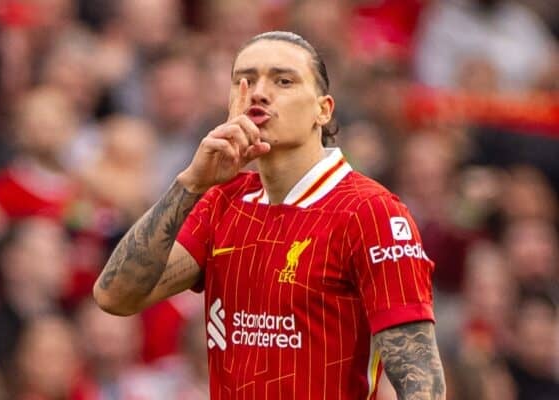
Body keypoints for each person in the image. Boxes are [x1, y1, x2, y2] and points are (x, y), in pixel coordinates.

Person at [93, 31, 446, 399]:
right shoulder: (220, 202)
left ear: (323, 110)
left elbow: (422, 384)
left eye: (283, 80)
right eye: (244, 80)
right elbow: (115, 296)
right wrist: (189, 185)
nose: (259, 93)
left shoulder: (371, 212)